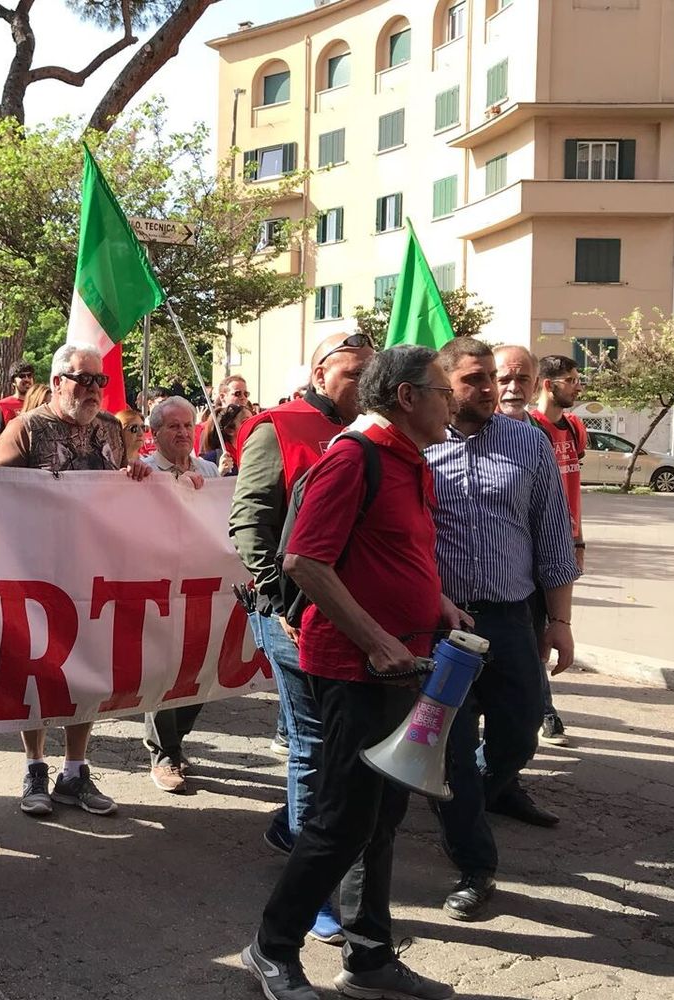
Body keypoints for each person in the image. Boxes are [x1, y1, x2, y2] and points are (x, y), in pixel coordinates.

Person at [241, 345, 465, 1000]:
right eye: (444, 390)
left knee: (383, 814)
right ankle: (271, 947)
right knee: (342, 818)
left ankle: (368, 959)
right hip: (355, 668)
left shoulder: (408, 460)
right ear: (406, 397)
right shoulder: (353, 456)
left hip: (403, 664)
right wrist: (375, 640)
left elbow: (396, 551)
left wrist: (439, 603)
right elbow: (303, 560)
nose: (451, 402)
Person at [426, 337, 579, 920]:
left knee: (520, 734)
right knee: (456, 746)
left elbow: (552, 537)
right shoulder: (418, 446)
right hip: (439, 625)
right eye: (474, 380)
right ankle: (474, 863)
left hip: (510, 618)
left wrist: (559, 622)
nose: (491, 389)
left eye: (493, 377)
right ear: (443, 385)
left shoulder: (527, 441)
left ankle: (460, 800)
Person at [230, 329, 373, 945]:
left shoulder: (373, 435)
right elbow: (250, 520)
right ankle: (312, 890)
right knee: (314, 744)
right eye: (351, 373)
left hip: (357, 615)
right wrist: (274, 597)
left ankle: (298, 830)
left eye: (371, 373)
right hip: (293, 616)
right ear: (319, 374)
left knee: (346, 745)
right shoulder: (278, 427)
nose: (362, 385)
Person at [0, 342, 152, 817]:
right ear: (57, 380)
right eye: (82, 379)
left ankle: (75, 772)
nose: (93, 389)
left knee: (88, 672)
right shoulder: (25, 429)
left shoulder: (109, 428)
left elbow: (120, 485)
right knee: (39, 671)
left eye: (99, 380)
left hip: (95, 572)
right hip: (38, 572)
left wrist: (136, 471)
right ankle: (35, 766)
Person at [140, 396, 218, 793]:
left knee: (199, 666)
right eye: (173, 426)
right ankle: (163, 752)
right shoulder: (144, 472)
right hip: (159, 586)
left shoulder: (208, 469)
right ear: (154, 434)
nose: (184, 432)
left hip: (201, 583)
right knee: (164, 667)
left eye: (188, 425)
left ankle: (176, 740)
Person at [528, 354, 590, 745]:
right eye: (570, 379)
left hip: (564, 542)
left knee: (555, 624)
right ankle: (543, 708)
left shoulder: (575, 428)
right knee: (533, 627)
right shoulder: (526, 429)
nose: (577, 386)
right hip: (530, 545)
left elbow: (574, 491)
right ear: (549, 385)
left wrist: (579, 540)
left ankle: (541, 705)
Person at [0, 360, 35, 430]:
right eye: (22, 376)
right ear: (13, 381)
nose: (27, 379)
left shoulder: (40, 403)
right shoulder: (2, 405)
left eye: (29, 376)